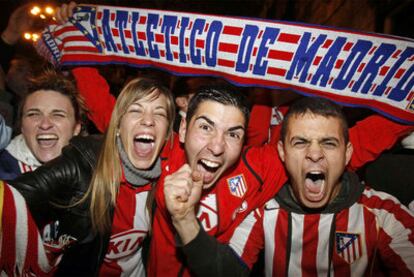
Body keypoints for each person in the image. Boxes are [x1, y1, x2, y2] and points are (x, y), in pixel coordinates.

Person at [203, 97, 414, 276]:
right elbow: (226, 270)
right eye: (300, 142)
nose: (314, 154)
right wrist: (185, 220)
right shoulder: (263, 210)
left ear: (347, 153)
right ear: (282, 152)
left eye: (328, 143)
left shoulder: (383, 213)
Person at [9, 77, 175, 276]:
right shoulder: (84, 164)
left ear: (166, 134)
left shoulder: (168, 178)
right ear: (118, 125)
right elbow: (10, 199)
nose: (148, 120)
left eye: (159, 113)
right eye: (135, 110)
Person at [0, 70, 84, 180]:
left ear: (76, 128)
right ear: (22, 126)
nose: (45, 124)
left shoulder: (94, 175)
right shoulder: (5, 178)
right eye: (34, 114)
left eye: (57, 115)